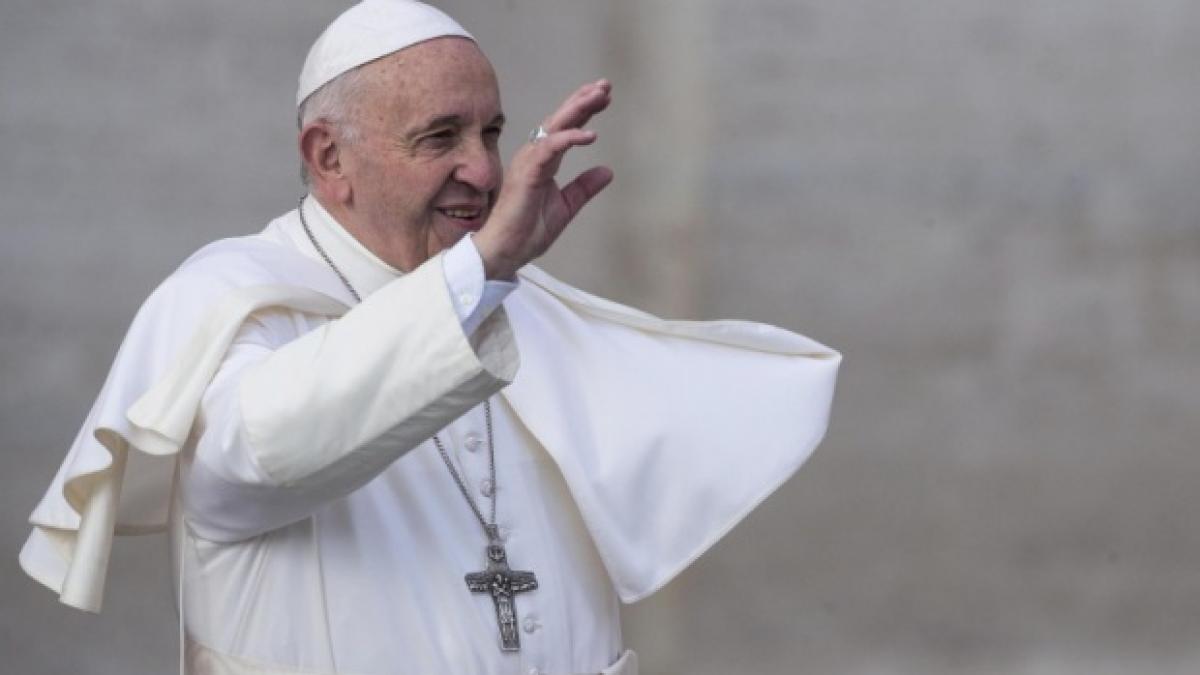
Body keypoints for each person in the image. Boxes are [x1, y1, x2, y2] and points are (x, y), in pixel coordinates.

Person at [19, 2, 841, 674]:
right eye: (441, 137)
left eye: (491, 133)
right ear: (329, 155)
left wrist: (487, 278)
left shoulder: (518, 302)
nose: (486, 171)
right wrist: (480, 271)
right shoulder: (229, 299)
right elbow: (259, 452)